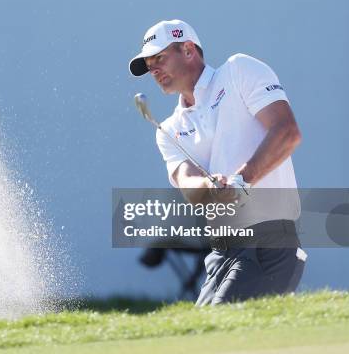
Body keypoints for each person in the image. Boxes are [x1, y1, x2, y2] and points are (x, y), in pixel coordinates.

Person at [128, 19, 307, 305]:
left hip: (269, 244)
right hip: (221, 253)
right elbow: (188, 185)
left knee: (218, 328)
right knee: (202, 334)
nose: (154, 70)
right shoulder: (169, 130)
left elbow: (287, 132)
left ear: (188, 49)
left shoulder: (238, 71)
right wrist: (211, 188)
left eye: (160, 58)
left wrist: (241, 180)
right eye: (149, 65)